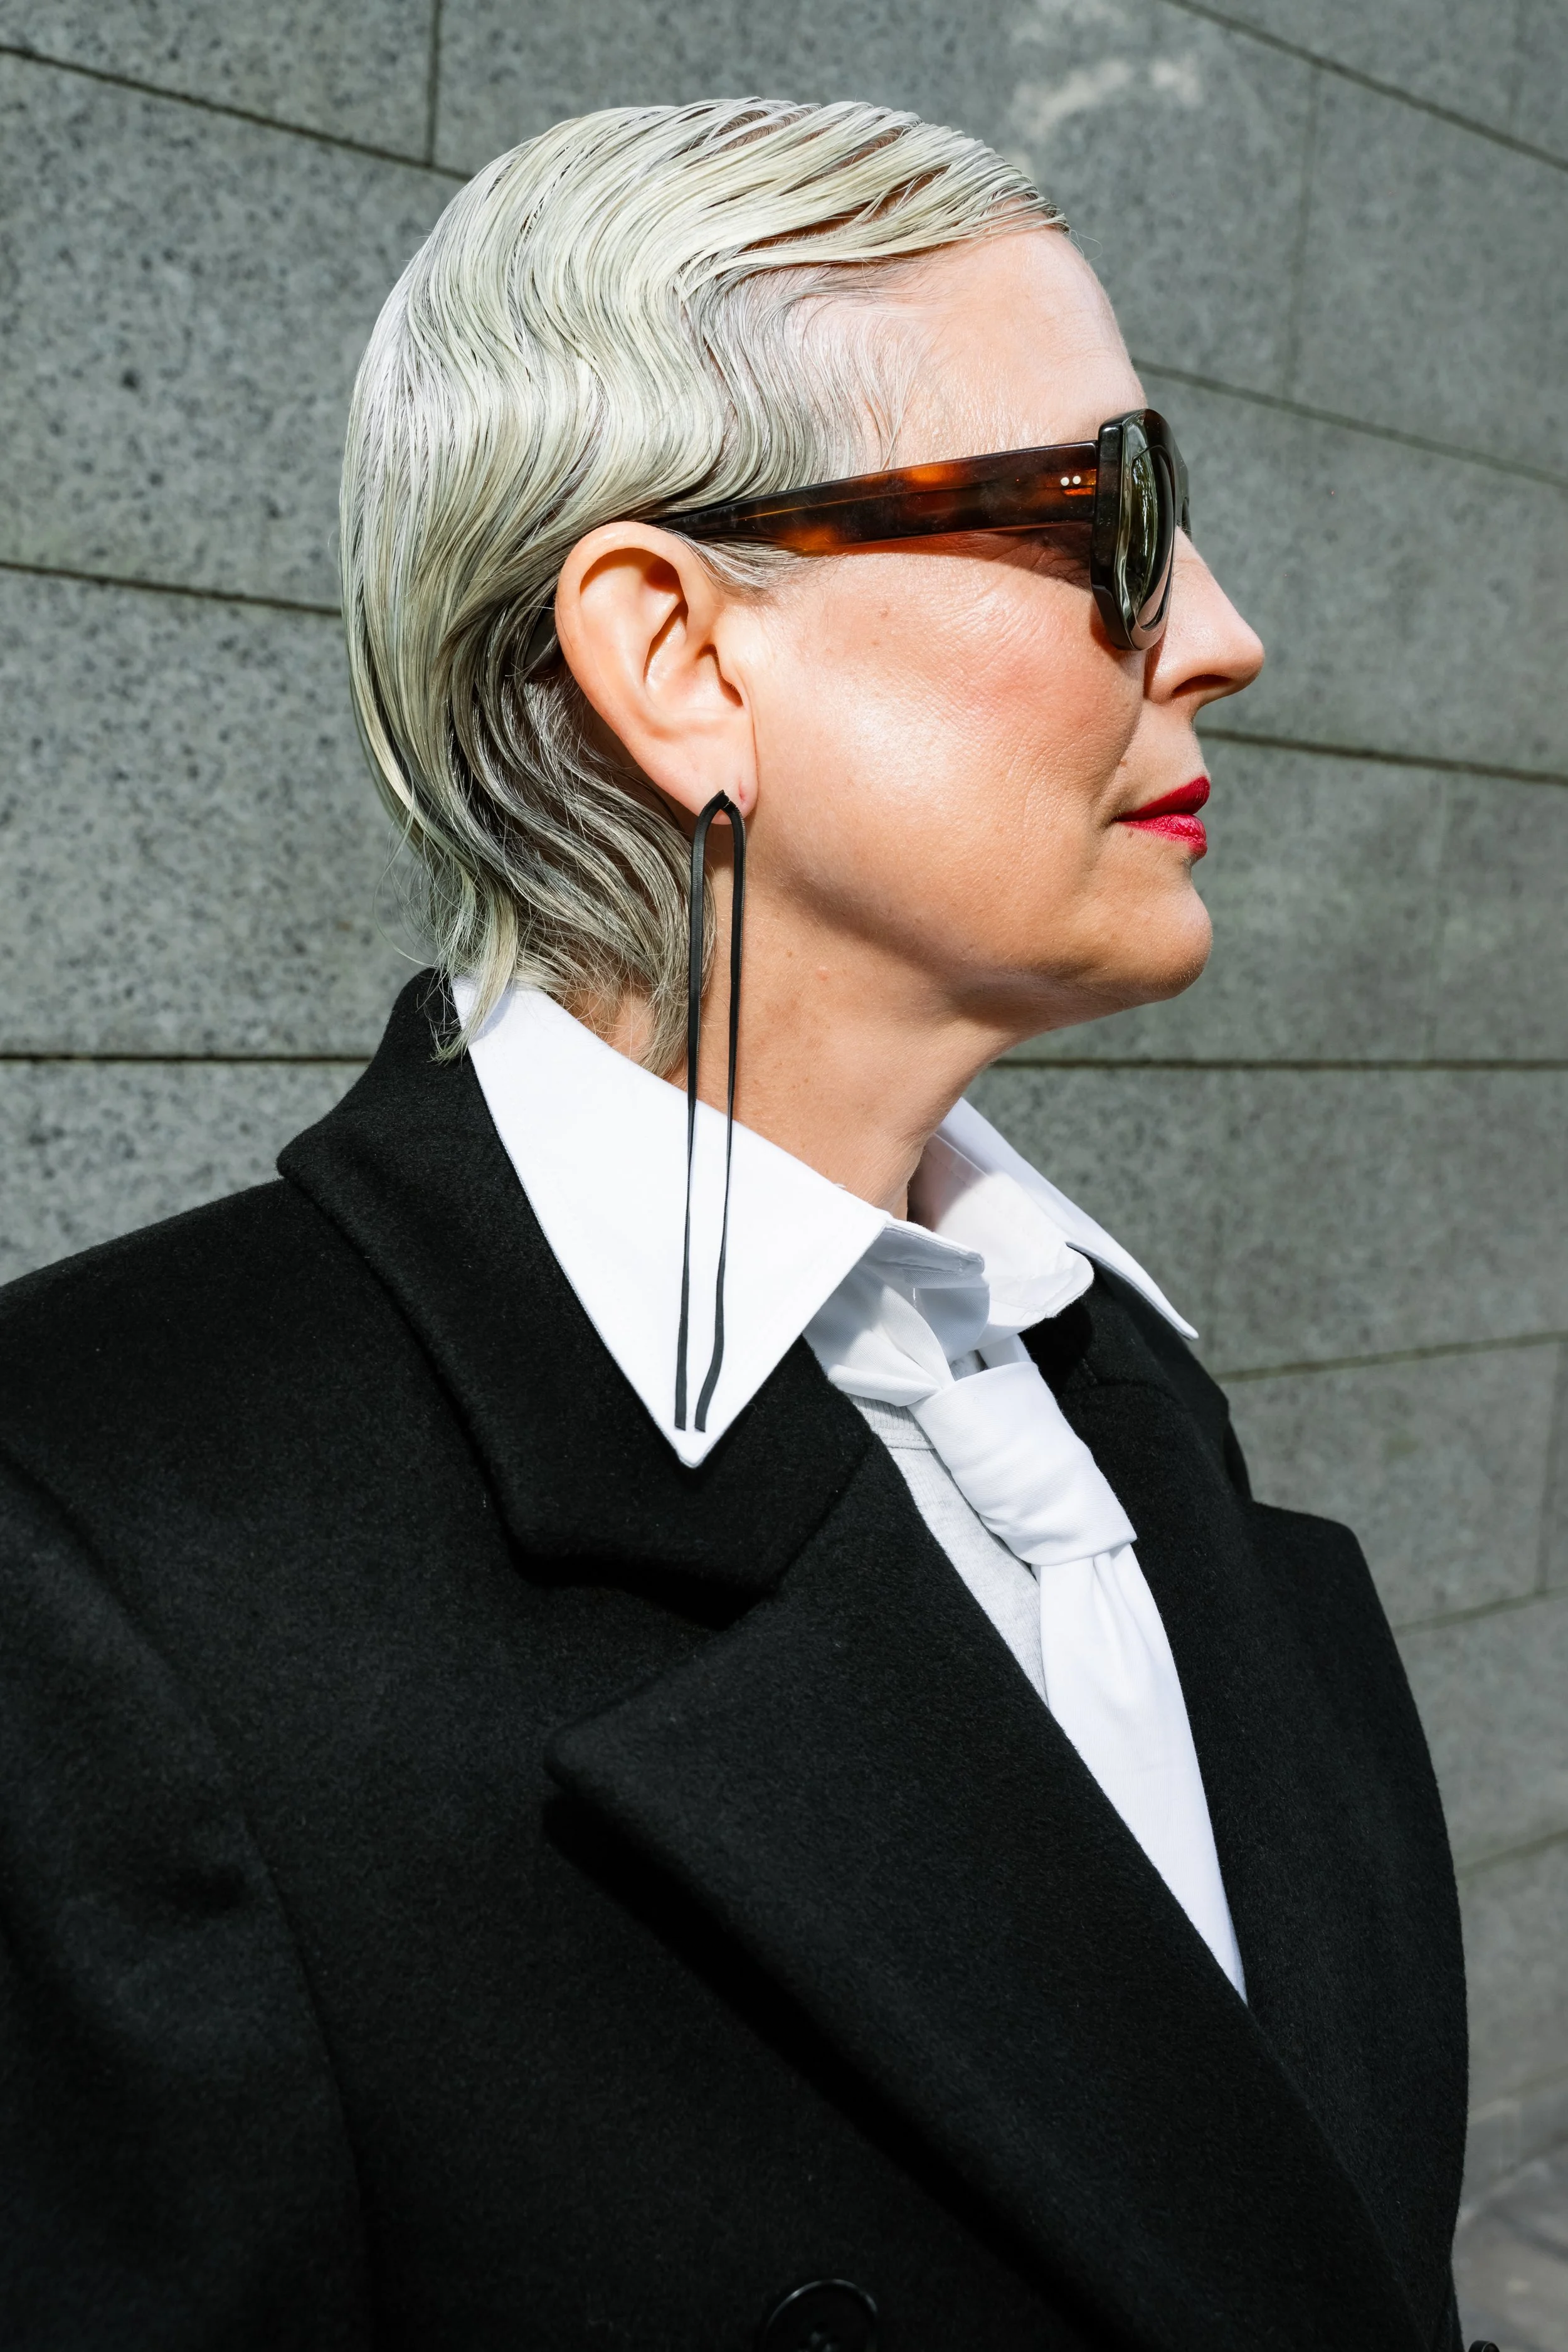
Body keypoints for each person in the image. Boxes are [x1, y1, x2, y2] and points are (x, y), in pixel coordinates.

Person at [0, 99, 1472, 2352]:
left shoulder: (1089, 1378)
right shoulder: (98, 1533)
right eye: (1114, 516)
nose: (1221, 635)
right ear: (679, 653)